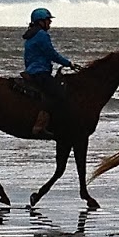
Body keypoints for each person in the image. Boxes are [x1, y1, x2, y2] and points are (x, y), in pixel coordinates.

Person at [22, 7, 76, 138]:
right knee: (59, 94)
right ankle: (40, 125)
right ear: (40, 21)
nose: (50, 24)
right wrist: (68, 63)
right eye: (48, 21)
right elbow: (51, 54)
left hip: (32, 70)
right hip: (40, 72)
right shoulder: (41, 35)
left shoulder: (31, 35)